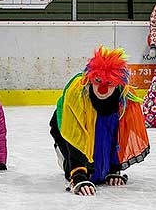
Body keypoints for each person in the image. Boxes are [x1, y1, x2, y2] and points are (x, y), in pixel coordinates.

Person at [49, 46, 150, 196]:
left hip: (101, 124)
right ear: (91, 78)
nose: (102, 88)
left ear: (118, 83)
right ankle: (66, 161)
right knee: (83, 171)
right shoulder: (76, 94)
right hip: (65, 127)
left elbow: (120, 134)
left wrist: (115, 168)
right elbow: (73, 133)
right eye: (97, 80)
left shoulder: (125, 99)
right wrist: (78, 175)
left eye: (109, 83)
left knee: (101, 173)